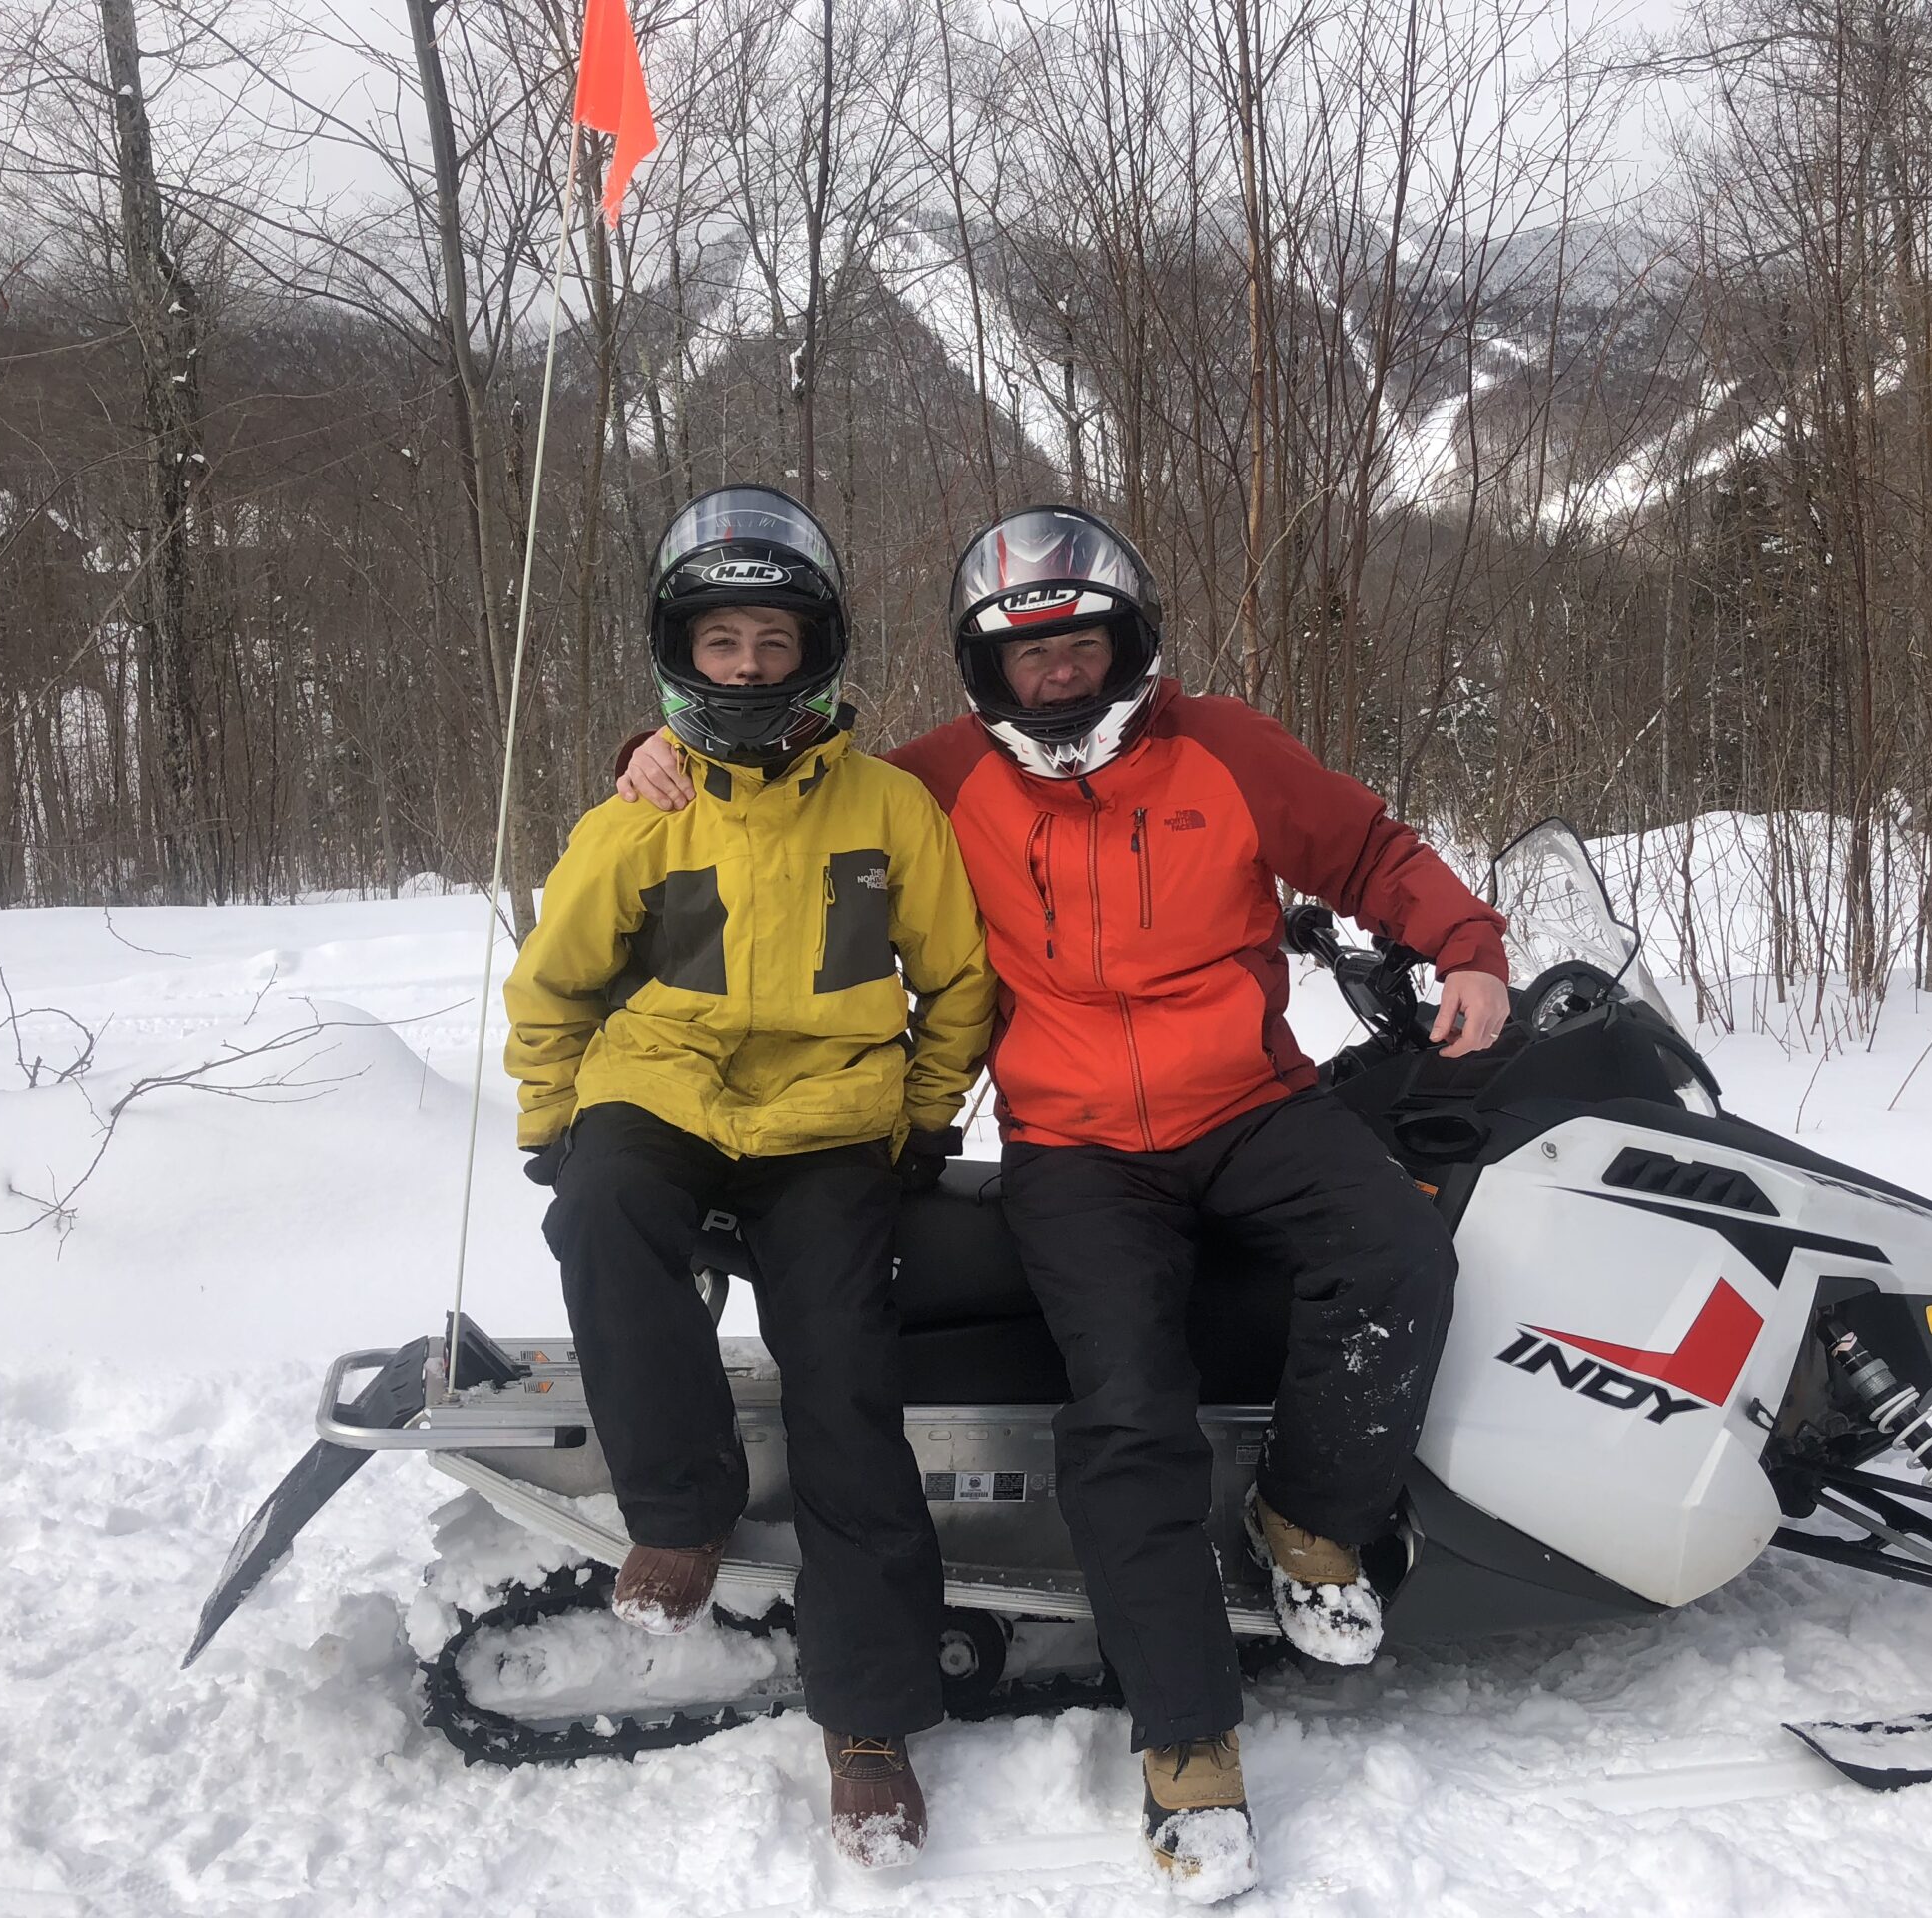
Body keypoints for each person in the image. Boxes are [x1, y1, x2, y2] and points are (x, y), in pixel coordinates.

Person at [618, 505, 1509, 1901]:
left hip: (1254, 1104)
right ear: (985, 666)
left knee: (1399, 1249)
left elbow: (1370, 849)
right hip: (1077, 1146)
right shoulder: (939, 780)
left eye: (1081, 643)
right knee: (1125, 1410)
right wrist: (659, 756)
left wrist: (1466, 946)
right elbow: (790, 792)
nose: (1057, 676)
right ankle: (1191, 1752)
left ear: (1128, 643)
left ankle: (1308, 1517)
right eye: (1025, 654)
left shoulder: (1225, 747)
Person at [506, 486, 995, 1868]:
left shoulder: (891, 807)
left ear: (816, 651)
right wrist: (554, 1117)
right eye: (722, 644)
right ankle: (681, 1514)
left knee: (848, 1383)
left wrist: (919, 1116)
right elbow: (553, 987)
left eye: (773, 644)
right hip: (662, 1093)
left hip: (833, 1123)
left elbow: (958, 981)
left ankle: (870, 1722)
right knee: (599, 1206)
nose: (749, 668)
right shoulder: (639, 816)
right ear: (683, 653)